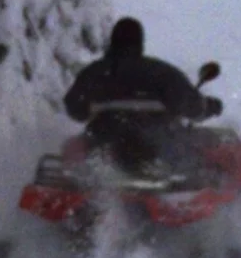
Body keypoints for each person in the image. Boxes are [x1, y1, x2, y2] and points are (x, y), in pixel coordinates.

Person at [64, 18, 222, 173]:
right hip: (157, 149)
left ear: (112, 42)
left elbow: (75, 109)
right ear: (140, 43)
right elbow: (193, 106)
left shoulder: (94, 73)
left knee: (74, 149)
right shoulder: (161, 73)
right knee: (207, 154)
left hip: (103, 144)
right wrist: (209, 106)